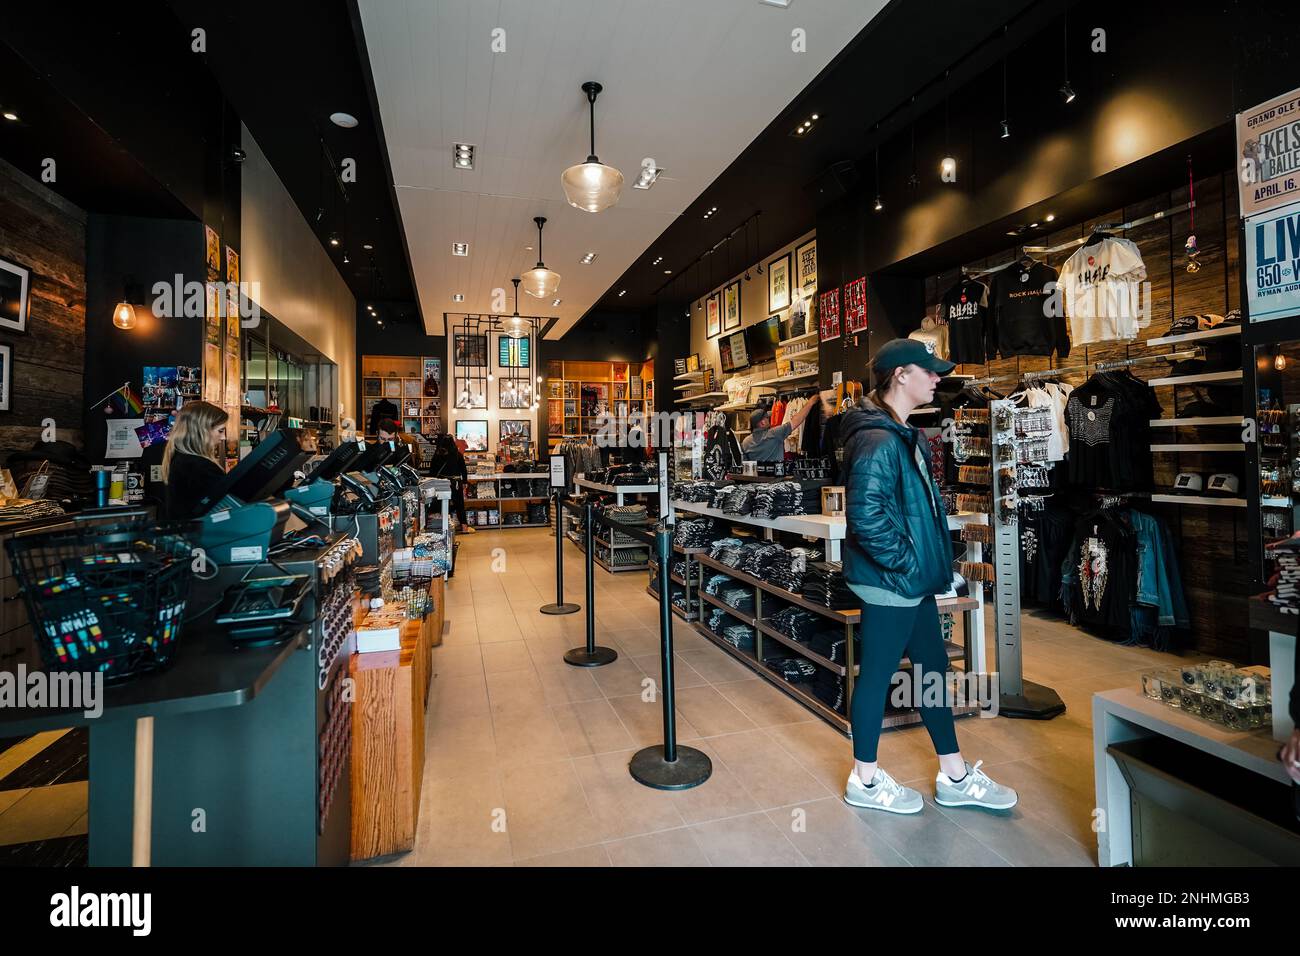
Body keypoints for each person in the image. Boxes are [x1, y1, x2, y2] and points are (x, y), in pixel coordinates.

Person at [839, 338, 1018, 814]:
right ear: (900, 375)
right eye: (929, 370)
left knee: (932, 669)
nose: (938, 379)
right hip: (892, 582)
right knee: (878, 675)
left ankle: (954, 774)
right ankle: (866, 781)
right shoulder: (878, 439)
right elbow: (866, 517)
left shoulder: (898, 432)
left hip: (908, 582)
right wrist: (907, 563)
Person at [161, 400, 228, 521]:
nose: (224, 437)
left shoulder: (179, 458)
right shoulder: (200, 467)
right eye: (220, 431)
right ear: (201, 431)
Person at [741, 395, 816, 461]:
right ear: (762, 423)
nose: (769, 419)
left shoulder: (745, 442)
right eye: (767, 418)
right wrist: (810, 402)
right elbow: (797, 420)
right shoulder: (774, 434)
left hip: (756, 477)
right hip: (775, 475)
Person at [426, 432, 473, 534]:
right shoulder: (457, 454)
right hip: (455, 483)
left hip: (441, 484)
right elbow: (463, 469)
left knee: (441, 504)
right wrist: (464, 482)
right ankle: (464, 527)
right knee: (460, 505)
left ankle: (442, 526)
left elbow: (432, 471)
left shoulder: (437, 455)